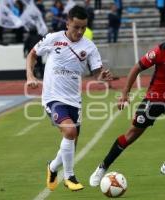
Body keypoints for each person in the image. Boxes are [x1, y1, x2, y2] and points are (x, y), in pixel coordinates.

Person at [89, 18, 165, 187]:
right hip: (154, 98)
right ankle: (102, 167)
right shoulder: (161, 51)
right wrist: (125, 93)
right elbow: (136, 68)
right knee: (132, 134)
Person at [26, 5, 112, 191]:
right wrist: (30, 76)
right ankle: (70, 176)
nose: (80, 31)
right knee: (70, 132)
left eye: (83, 27)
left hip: (74, 100)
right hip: (52, 98)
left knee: (71, 143)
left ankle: (52, 167)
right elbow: (32, 55)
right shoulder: (53, 38)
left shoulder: (89, 46)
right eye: (76, 27)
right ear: (68, 23)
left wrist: (101, 77)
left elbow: (96, 72)